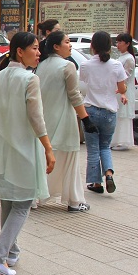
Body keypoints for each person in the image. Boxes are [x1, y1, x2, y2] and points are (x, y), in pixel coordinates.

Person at [0, 32, 55, 275]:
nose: (38, 53)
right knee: (23, 203)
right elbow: (36, 117)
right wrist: (48, 147)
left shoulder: (1, 75)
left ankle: (11, 252)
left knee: (8, 201)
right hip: (23, 148)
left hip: (3, 148)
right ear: (19, 51)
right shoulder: (29, 79)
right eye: (35, 48)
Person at [35, 30, 98, 212]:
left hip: (46, 119)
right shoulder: (67, 66)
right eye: (67, 42)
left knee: (45, 158)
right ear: (56, 46)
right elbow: (74, 96)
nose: (70, 45)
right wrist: (86, 119)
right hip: (64, 119)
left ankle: (37, 196)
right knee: (69, 159)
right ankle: (74, 200)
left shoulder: (42, 65)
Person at [80, 31, 128, 194]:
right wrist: (122, 89)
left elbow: (84, 83)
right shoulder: (116, 65)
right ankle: (108, 174)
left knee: (93, 148)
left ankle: (95, 183)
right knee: (105, 146)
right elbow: (121, 88)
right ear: (110, 47)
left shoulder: (86, 65)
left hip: (90, 111)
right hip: (109, 112)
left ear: (92, 46)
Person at [111, 33, 136, 150]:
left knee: (123, 114)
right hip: (118, 88)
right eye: (117, 42)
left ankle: (122, 141)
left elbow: (125, 76)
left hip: (124, 89)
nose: (118, 44)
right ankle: (115, 140)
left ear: (127, 44)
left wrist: (121, 89)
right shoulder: (120, 57)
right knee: (117, 113)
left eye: (120, 42)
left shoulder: (129, 58)